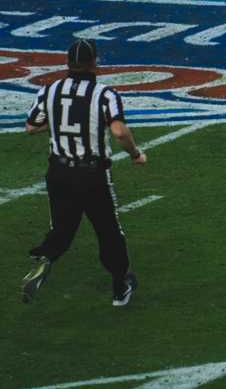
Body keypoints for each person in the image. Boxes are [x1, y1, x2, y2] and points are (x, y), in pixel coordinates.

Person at [21, 39, 146, 306]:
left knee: (63, 228)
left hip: (58, 171)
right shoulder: (105, 94)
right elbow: (119, 131)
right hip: (91, 174)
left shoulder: (50, 90)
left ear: (67, 63)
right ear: (94, 62)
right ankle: (120, 286)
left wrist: (56, 125)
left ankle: (47, 257)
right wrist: (136, 154)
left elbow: (31, 127)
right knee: (109, 231)